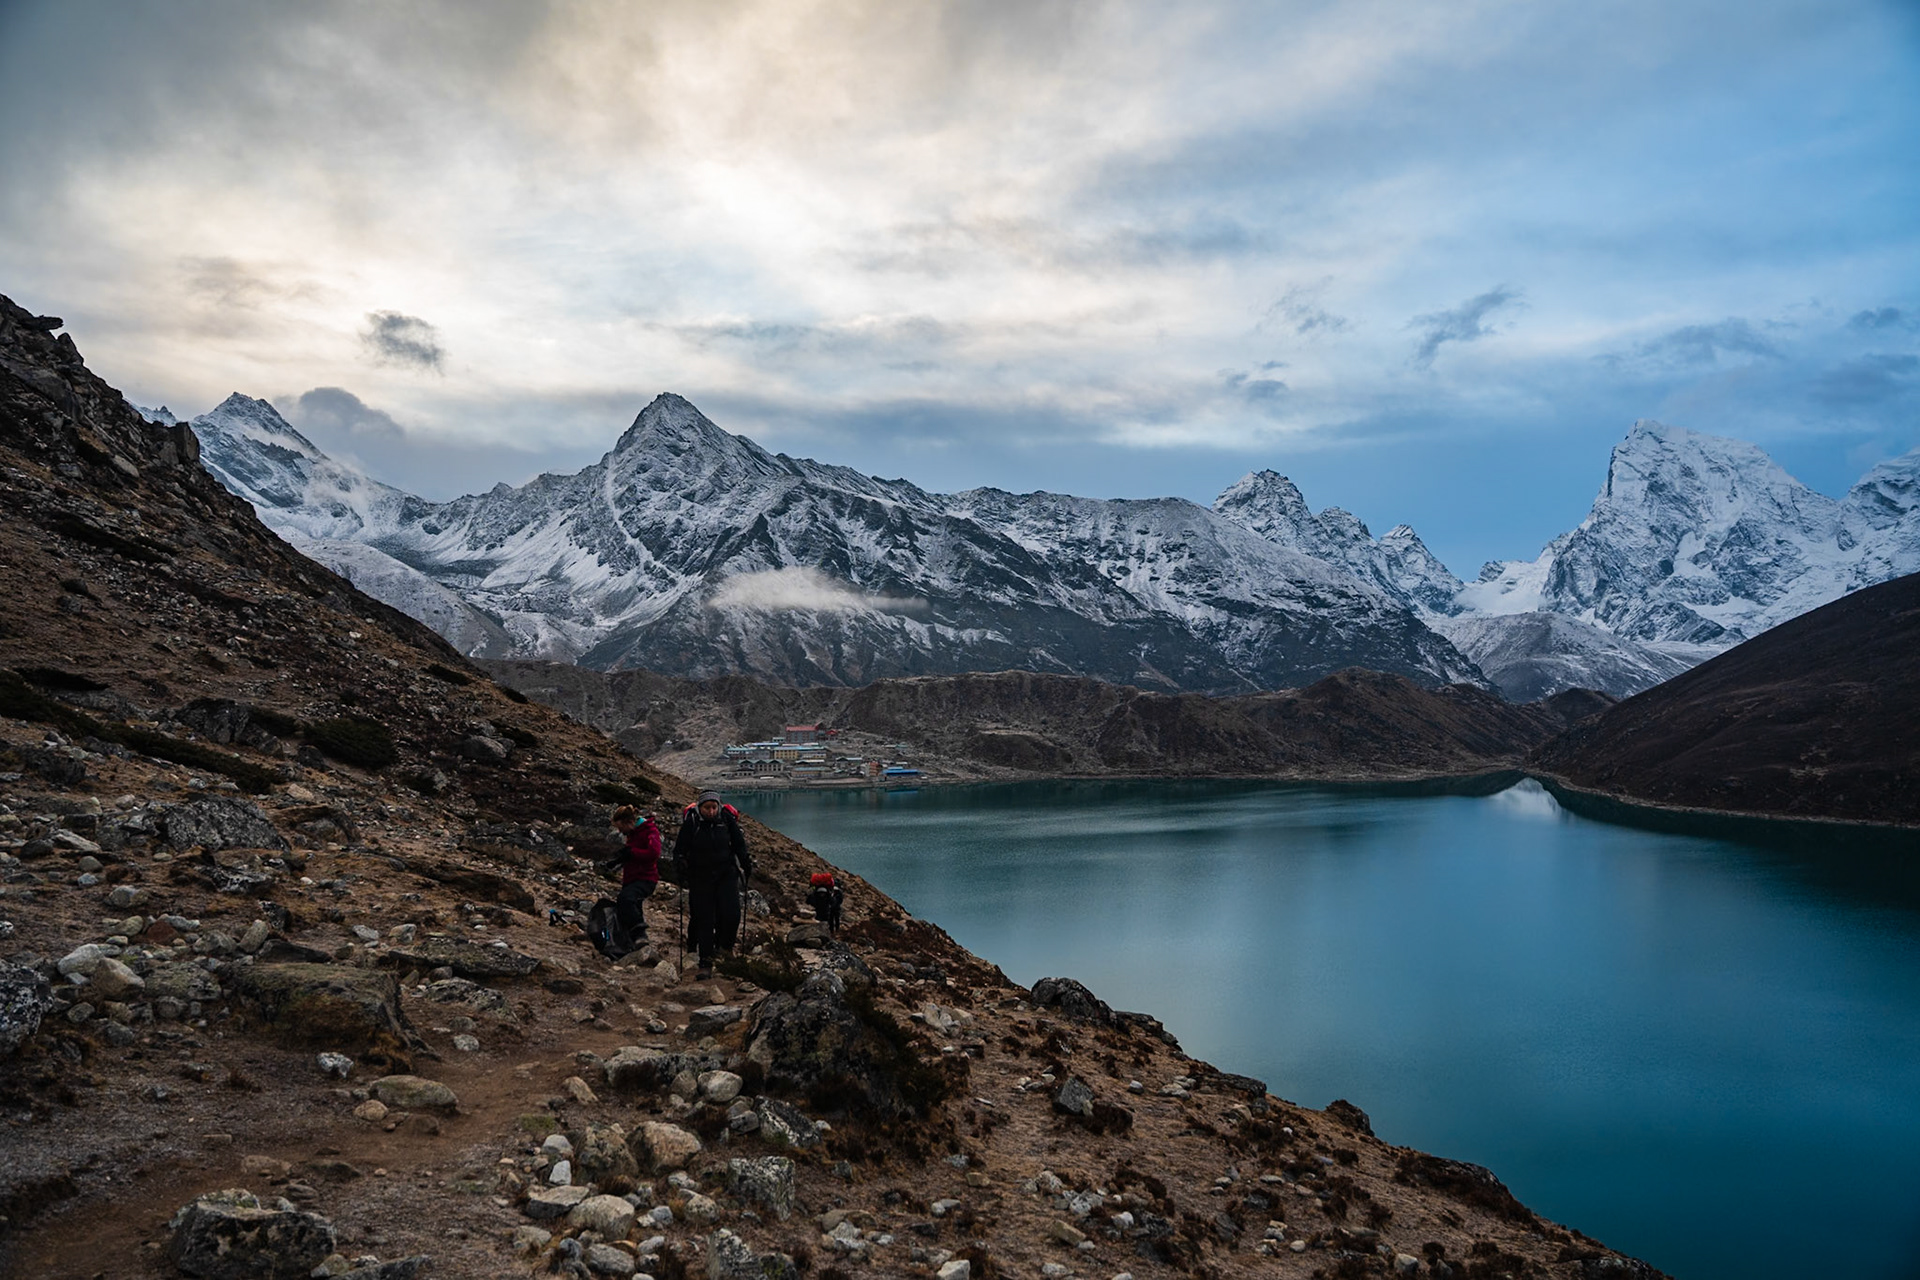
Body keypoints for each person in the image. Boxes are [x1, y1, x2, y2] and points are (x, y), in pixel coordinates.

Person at [672, 790, 751, 979]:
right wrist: (680, 865)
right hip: (700, 877)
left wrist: (746, 863)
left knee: (732, 914)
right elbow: (680, 849)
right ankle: (705, 962)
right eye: (707, 808)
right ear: (700, 808)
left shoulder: (727, 819)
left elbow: (739, 844)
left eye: (714, 807)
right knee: (705, 919)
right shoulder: (692, 822)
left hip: (726, 874)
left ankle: (725, 950)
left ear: (719, 806)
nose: (711, 811)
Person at [606, 804, 660, 954]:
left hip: (646, 878)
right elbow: (631, 855)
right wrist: (616, 862)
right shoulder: (632, 834)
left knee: (626, 900)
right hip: (631, 878)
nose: (620, 832)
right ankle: (632, 944)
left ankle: (640, 934)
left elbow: (654, 853)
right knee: (631, 907)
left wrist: (632, 852)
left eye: (620, 827)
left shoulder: (649, 830)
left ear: (629, 822)